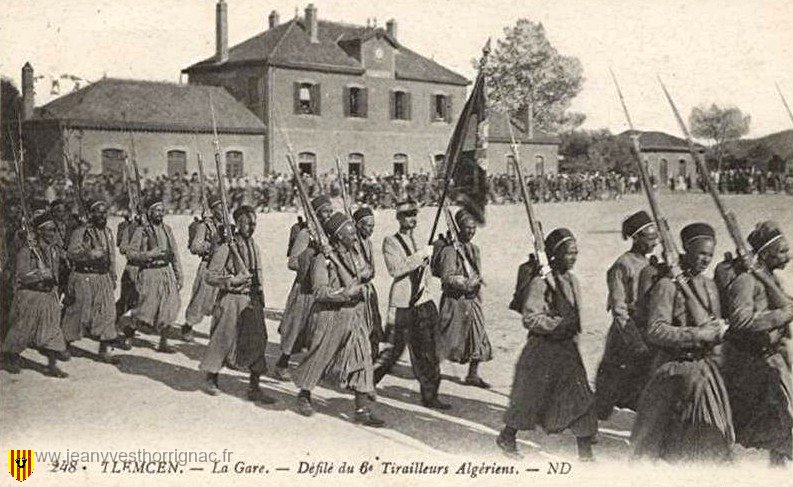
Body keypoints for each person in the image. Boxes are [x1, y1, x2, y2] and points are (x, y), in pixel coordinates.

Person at [631, 223, 733, 462]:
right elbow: (655, 330)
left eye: (710, 255)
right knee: (653, 447)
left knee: (714, 441)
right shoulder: (667, 286)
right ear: (687, 249)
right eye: (701, 253)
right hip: (674, 371)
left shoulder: (709, 285)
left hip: (706, 372)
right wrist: (697, 334)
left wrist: (719, 330)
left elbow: (714, 324)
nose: (706, 260)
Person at [497, 228, 597, 461]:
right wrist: (556, 324)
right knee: (529, 399)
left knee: (581, 398)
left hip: (567, 350)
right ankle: (507, 436)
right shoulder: (540, 283)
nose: (573, 257)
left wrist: (570, 334)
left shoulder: (572, 281)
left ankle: (585, 454)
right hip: (542, 350)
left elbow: (575, 317)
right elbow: (530, 318)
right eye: (569, 253)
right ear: (555, 254)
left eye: (576, 252)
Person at [292, 212, 384, 427]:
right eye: (349, 234)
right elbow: (319, 292)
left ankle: (361, 409)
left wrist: (362, 278)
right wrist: (344, 293)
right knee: (319, 357)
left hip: (355, 316)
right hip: (330, 316)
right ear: (339, 236)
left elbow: (365, 272)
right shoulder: (322, 260)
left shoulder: (353, 253)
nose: (354, 237)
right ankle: (304, 394)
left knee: (362, 358)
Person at [722, 221, 792, 466]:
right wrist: (780, 316)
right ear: (764, 254)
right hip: (751, 362)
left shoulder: (770, 278)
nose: (788, 256)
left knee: (781, 414)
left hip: (773, 357)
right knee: (763, 419)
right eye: (782, 251)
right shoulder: (745, 281)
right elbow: (740, 321)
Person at [374, 199, 448, 409]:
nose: (412, 218)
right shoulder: (391, 241)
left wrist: (440, 249)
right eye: (407, 215)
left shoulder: (422, 239)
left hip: (423, 301)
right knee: (392, 351)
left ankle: (430, 395)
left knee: (428, 352)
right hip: (402, 304)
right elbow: (395, 269)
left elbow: (432, 268)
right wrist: (420, 256)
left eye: (414, 214)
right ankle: (367, 384)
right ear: (398, 218)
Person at [199, 205, 276, 404]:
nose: (251, 227)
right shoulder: (227, 247)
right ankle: (211, 377)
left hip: (251, 299)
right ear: (237, 224)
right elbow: (210, 276)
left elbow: (258, 273)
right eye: (247, 223)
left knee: (259, 340)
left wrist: (260, 296)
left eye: (254, 223)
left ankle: (254, 387)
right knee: (223, 338)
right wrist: (232, 280)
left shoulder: (254, 246)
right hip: (231, 298)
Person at [595, 210, 658, 419]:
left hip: (646, 327)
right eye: (650, 238)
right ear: (636, 238)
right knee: (612, 379)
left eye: (656, 237)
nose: (655, 242)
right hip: (625, 332)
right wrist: (633, 339)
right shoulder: (622, 265)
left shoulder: (651, 263)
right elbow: (619, 307)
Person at [273, 195, 334, 380]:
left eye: (330, 211)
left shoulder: (330, 233)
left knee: (319, 328)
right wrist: (313, 256)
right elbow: (292, 262)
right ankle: (282, 364)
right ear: (316, 213)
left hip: (323, 287)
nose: (328, 215)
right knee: (296, 327)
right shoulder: (306, 234)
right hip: (304, 289)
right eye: (325, 211)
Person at [2, 213, 69, 377]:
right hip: (30, 296)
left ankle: (51, 366)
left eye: (54, 230)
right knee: (22, 330)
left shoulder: (53, 251)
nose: (53, 233)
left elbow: (55, 275)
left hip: (48, 296)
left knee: (53, 331)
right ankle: (9, 357)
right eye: (49, 230)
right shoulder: (27, 251)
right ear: (40, 231)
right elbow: (20, 276)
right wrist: (39, 275)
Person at [437, 208, 492, 388]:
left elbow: (477, 271)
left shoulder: (474, 249)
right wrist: (465, 283)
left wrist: (476, 285)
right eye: (468, 228)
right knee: (447, 339)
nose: (471, 231)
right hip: (455, 302)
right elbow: (447, 277)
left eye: (474, 228)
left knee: (478, 335)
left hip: (472, 300)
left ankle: (472, 375)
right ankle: (431, 372)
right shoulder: (449, 251)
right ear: (459, 228)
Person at [61, 199, 121, 362]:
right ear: (91, 214)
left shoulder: (108, 232)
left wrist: (112, 275)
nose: (103, 215)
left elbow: (111, 256)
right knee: (79, 312)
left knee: (108, 312)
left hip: (103, 277)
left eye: (105, 212)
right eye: (99, 212)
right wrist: (89, 254)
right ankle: (64, 344)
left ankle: (104, 351)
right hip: (84, 277)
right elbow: (71, 253)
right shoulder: (80, 232)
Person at [126, 197, 183, 353]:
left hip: (166, 272)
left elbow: (174, 253)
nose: (160, 213)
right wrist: (149, 254)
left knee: (170, 306)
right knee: (145, 309)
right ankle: (129, 333)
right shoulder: (141, 231)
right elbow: (131, 254)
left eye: (162, 210)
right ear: (150, 212)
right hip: (149, 272)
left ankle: (163, 342)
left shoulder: (167, 229)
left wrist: (179, 275)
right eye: (157, 210)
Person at [182, 196, 224, 342]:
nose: (223, 211)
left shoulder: (226, 225)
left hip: (223, 267)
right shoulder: (204, 226)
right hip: (208, 265)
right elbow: (195, 247)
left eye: (224, 207)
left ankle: (217, 332)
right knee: (200, 299)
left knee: (221, 301)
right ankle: (188, 326)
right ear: (213, 210)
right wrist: (211, 246)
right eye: (219, 208)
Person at [352, 206, 383, 358]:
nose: (371, 230)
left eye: (373, 226)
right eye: (369, 226)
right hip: (357, 288)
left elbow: (372, 269)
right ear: (359, 225)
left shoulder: (368, 242)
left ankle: (374, 355)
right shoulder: (352, 243)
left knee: (374, 323)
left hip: (368, 288)